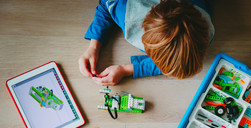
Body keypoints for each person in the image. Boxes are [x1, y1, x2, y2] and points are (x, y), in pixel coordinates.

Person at [78, 0, 214, 86]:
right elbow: (104, 5)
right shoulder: (125, 11)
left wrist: (127, 69)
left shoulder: (205, 33)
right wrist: (94, 46)